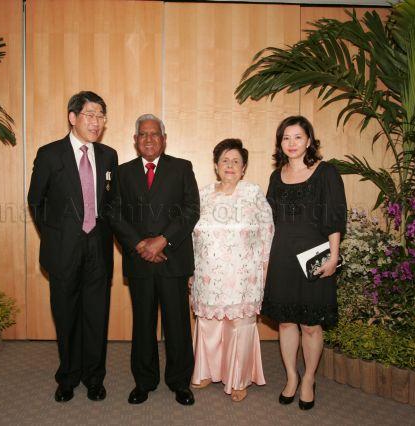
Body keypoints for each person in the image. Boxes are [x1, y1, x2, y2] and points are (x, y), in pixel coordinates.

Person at [27, 91, 118, 403]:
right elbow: (35, 201)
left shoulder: (109, 156)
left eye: (100, 116)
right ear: (73, 117)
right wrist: (55, 236)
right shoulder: (50, 154)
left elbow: (112, 203)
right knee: (66, 316)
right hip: (63, 249)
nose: (96, 122)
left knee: (96, 315)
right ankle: (67, 376)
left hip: (99, 250)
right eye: (90, 115)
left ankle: (95, 378)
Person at [109, 114, 199, 406]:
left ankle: (180, 383)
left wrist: (162, 240)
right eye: (143, 134)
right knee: (143, 324)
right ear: (135, 141)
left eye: (154, 134)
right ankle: (144, 382)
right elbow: (114, 213)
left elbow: (190, 210)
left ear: (164, 138)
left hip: (173, 259)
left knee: (178, 325)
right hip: (139, 261)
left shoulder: (182, 168)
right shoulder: (123, 173)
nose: (149, 139)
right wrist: (139, 244)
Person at [261, 116, 346, 410]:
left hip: (315, 255)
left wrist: (334, 256)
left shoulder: (326, 172)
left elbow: (335, 217)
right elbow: (268, 221)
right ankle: (291, 378)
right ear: (280, 143)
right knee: (286, 322)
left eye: (298, 137)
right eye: (286, 138)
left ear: (309, 140)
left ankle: (309, 378)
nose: (292, 143)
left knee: (311, 324)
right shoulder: (276, 176)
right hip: (282, 255)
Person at [190, 139, 274, 402]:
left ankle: (239, 379)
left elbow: (267, 232)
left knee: (239, 324)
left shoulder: (252, 193)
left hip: (243, 275)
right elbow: (190, 235)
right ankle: (205, 372)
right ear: (216, 165)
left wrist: (265, 269)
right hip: (208, 273)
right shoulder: (202, 194)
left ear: (244, 167)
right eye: (225, 160)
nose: (230, 165)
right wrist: (190, 270)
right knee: (209, 323)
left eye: (236, 161)